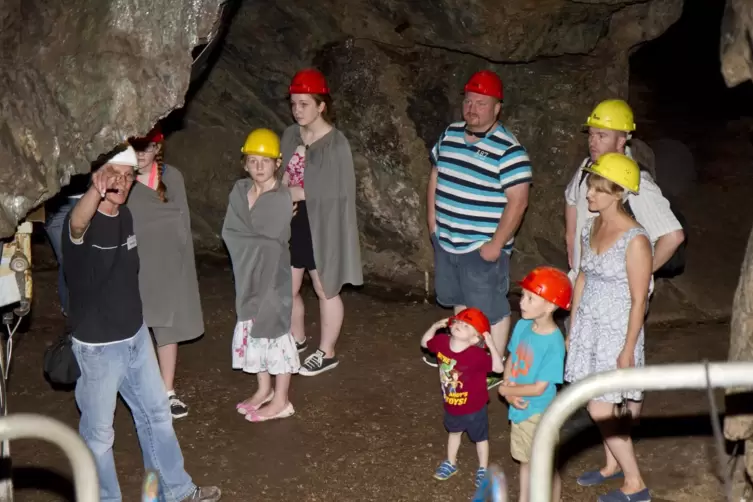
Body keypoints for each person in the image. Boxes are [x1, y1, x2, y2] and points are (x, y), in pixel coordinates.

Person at [62, 145, 221, 501]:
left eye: (128, 175)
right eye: (113, 173)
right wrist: (94, 191)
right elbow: (76, 224)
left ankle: (175, 491)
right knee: (100, 436)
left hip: (135, 338)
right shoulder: (80, 224)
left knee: (157, 415)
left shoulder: (127, 216)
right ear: (97, 176)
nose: (121, 181)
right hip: (99, 348)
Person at [425, 70, 532, 391]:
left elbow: (519, 201)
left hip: (481, 246)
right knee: (460, 300)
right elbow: (435, 175)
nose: (472, 108)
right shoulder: (450, 134)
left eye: (481, 103)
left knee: (493, 308)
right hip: (447, 240)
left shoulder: (510, 150)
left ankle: (494, 366)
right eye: (468, 101)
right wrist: (432, 223)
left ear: (497, 107)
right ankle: (468, 353)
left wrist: (496, 244)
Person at [565, 153, 653, 502]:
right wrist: (573, 324)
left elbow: (639, 299)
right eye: (590, 186)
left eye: (599, 189)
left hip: (617, 329)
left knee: (600, 407)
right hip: (589, 323)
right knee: (597, 397)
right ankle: (610, 464)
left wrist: (628, 347)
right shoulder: (591, 227)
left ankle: (636, 485)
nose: (589, 194)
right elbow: (584, 275)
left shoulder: (636, 240)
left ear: (618, 194)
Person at [280, 68, 363, 376]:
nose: (297, 110)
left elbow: (341, 193)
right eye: (293, 103)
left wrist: (297, 192)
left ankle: (326, 351)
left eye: (304, 103)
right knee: (285, 285)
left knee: (323, 286)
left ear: (321, 105)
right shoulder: (290, 134)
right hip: (291, 220)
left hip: (321, 224)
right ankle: (296, 338)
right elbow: (279, 173)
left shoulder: (336, 144)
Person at [223, 128, 304, 422]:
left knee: (275, 333)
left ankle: (281, 399)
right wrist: (253, 238)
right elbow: (230, 232)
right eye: (253, 160)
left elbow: (271, 240)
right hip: (247, 277)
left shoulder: (281, 197)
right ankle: (263, 390)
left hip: (272, 278)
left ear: (277, 163)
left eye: (265, 161)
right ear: (245, 163)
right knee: (251, 329)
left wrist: (252, 237)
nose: (259, 166)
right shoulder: (239, 191)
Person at [127, 125, 204, 419]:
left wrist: (183, 263)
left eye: (147, 147)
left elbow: (182, 221)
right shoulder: (122, 176)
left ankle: (167, 391)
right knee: (136, 327)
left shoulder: (172, 177)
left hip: (167, 258)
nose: (141, 154)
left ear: (158, 148)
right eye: (136, 147)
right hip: (135, 259)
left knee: (166, 326)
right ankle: (139, 390)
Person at [564, 99, 684, 283]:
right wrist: (571, 239)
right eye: (591, 134)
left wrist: (637, 277)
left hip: (617, 295)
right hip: (583, 279)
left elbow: (673, 236)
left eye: (601, 136)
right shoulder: (588, 166)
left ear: (621, 140)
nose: (592, 142)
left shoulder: (635, 182)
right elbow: (572, 200)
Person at [497, 266, 571, 502]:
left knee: (545, 465)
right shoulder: (522, 326)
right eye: (523, 295)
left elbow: (540, 387)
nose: (522, 302)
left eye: (531, 298)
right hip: (519, 408)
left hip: (539, 412)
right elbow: (511, 358)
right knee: (525, 459)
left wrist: (506, 389)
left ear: (550, 306)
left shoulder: (554, 343)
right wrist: (508, 391)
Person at [420, 308, 504, 488]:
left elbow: (498, 368)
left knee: (480, 438)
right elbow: (425, 343)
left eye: (466, 325)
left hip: (475, 407)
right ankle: (451, 463)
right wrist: (435, 326)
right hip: (451, 403)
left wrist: (490, 344)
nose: (459, 325)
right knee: (454, 432)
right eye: (457, 321)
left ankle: (483, 468)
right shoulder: (441, 342)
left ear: (475, 338)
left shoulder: (477, 356)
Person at [43, 174, 89, 316]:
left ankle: (77, 315)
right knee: (67, 259)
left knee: (80, 259)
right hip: (58, 203)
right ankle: (71, 313)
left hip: (86, 195)